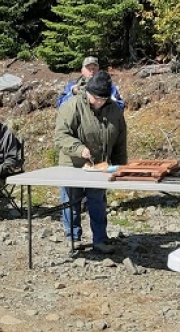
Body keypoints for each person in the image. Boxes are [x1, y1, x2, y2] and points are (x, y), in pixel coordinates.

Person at [54, 70, 127, 253]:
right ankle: (73, 238)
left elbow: (120, 139)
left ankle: (100, 239)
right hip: (73, 164)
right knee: (71, 202)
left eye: (104, 99)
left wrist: (121, 166)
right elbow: (61, 136)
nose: (100, 102)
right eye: (97, 99)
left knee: (98, 202)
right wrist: (79, 149)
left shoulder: (114, 110)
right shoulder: (72, 106)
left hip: (99, 166)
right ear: (88, 93)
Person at [57, 56, 125, 110]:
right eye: (88, 68)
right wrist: (73, 93)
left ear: (98, 70)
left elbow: (120, 106)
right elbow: (60, 105)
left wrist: (105, 99)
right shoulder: (72, 86)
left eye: (94, 68)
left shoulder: (108, 86)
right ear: (82, 70)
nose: (92, 71)